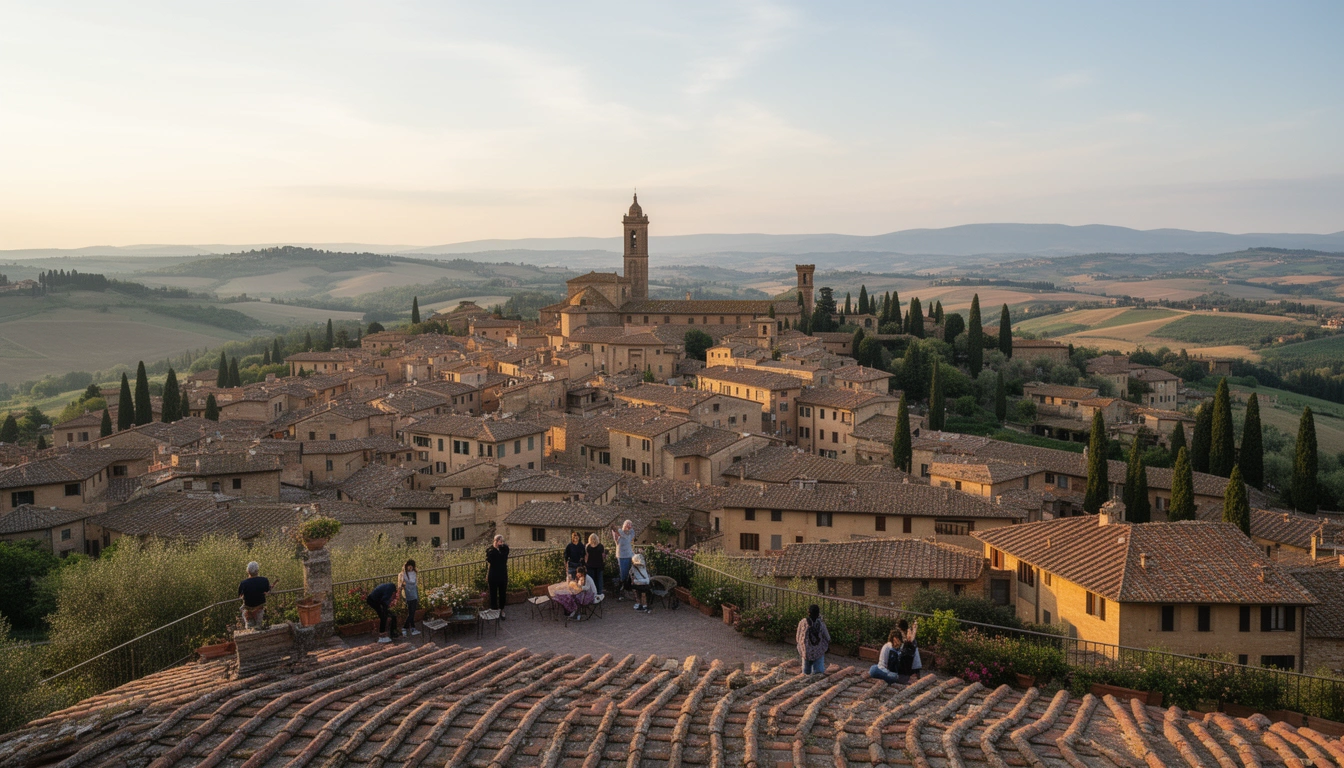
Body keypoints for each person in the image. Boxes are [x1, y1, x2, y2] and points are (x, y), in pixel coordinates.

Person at [238, 561, 276, 629]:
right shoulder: (264, 580)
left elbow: (240, 595)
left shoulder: (243, 583)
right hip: (259, 608)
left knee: (249, 627)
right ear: (257, 571)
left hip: (248, 608)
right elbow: (267, 590)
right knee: (259, 626)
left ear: (248, 571)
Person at [796, 604, 830, 675]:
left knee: (805, 673)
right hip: (818, 652)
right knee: (819, 673)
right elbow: (827, 637)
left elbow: (798, 637)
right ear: (818, 614)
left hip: (806, 652)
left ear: (808, 613)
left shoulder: (803, 622)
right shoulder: (821, 624)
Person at [485, 534, 509, 619]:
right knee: (493, 593)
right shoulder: (491, 550)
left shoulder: (504, 549)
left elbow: (503, 556)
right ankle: (494, 610)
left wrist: (499, 548)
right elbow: (490, 558)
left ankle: (502, 609)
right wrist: (495, 548)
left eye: (502, 541)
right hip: (493, 574)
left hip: (502, 574)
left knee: (502, 593)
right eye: (500, 541)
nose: (502, 543)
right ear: (496, 541)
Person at [611, 519, 635, 598]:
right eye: (627, 524)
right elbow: (615, 533)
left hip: (629, 555)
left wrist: (626, 530)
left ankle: (627, 589)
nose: (628, 526)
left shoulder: (630, 533)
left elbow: (629, 537)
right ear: (623, 525)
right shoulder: (618, 532)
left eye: (630, 525)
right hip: (621, 556)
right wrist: (617, 530)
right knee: (622, 573)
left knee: (629, 573)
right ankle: (621, 591)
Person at [397, 559, 421, 636]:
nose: (410, 568)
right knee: (411, 611)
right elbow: (401, 585)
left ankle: (409, 627)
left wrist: (405, 581)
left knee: (412, 611)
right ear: (406, 566)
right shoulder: (403, 574)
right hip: (408, 593)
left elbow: (413, 582)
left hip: (414, 593)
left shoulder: (413, 573)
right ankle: (409, 627)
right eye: (409, 566)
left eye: (411, 566)